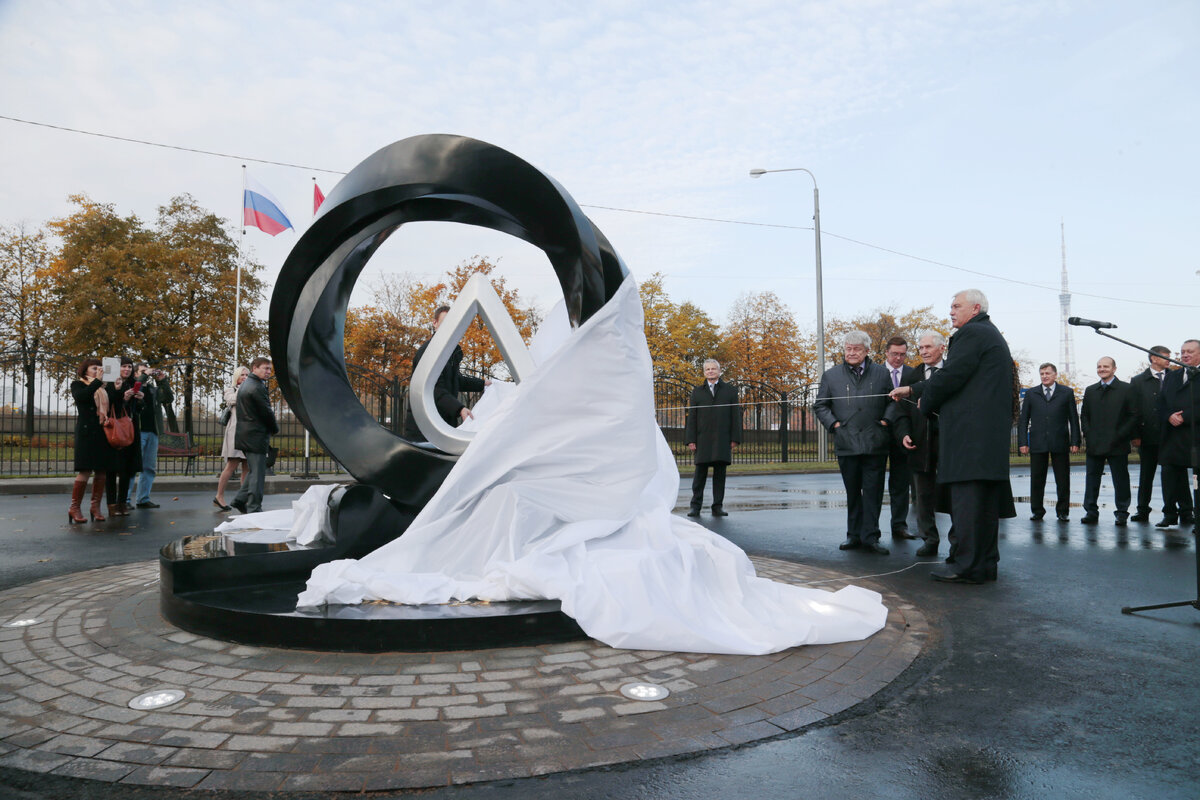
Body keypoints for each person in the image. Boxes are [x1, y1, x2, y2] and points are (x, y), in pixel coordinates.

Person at [890, 289, 1015, 584]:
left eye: (956, 306)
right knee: (983, 507)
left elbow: (951, 375)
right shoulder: (989, 334)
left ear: (975, 308)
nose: (951, 311)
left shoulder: (971, 335)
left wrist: (925, 399)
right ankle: (983, 565)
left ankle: (965, 565)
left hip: (970, 440)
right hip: (986, 441)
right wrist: (913, 390)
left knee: (968, 505)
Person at [815, 330, 895, 555]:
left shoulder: (881, 373)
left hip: (875, 442)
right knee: (852, 491)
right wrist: (835, 426)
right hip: (847, 442)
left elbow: (893, 401)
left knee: (873, 491)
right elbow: (820, 405)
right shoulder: (831, 376)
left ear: (867, 351)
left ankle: (871, 537)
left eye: (857, 349)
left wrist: (886, 421)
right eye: (848, 348)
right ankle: (853, 535)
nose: (851, 353)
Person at [893, 332, 947, 557]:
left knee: (952, 494)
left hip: (949, 442)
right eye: (920, 348)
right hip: (920, 444)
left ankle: (958, 541)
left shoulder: (952, 372)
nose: (923, 351)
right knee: (923, 496)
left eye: (928, 347)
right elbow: (901, 411)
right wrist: (904, 433)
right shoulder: (912, 375)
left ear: (942, 348)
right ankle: (929, 539)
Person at [404, 305, 489, 442]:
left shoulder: (451, 352)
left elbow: (456, 380)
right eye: (445, 323)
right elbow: (433, 389)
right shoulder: (428, 352)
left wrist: (483, 384)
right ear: (435, 323)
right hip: (425, 429)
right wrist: (459, 409)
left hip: (443, 425)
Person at [1017, 363, 1081, 522]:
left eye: (1047, 373)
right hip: (1038, 442)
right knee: (1037, 479)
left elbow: (1073, 419)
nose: (1044, 376)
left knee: (1063, 479)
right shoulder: (1032, 394)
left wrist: (1075, 441)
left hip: (1060, 441)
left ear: (1055, 375)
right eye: (1042, 374)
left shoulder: (1066, 393)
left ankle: (1063, 511)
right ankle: (1037, 511)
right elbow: (1023, 420)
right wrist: (1023, 442)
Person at [1079, 357, 1137, 525]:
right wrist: (1088, 434)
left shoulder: (1126, 389)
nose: (1102, 369)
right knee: (1092, 479)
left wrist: (1120, 435)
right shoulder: (1090, 390)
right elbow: (1084, 415)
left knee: (1120, 480)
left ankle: (1122, 512)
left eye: (1106, 366)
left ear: (1114, 369)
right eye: (1099, 366)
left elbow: (1133, 416)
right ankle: (1090, 511)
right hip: (1095, 443)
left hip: (1117, 443)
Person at [684, 359, 741, 516]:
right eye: (707, 369)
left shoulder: (730, 391)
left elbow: (736, 416)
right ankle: (695, 506)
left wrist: (735, 438)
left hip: (723, 439)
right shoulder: (697, 392)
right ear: (704, 372)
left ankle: (717, 506)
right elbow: (692, 418)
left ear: (719, 371)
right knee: (699, 475)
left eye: (713, 369)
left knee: (719, 475)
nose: (710, 371)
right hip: (702, 439)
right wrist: (691, 440)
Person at [1156, 339, 1200, 531]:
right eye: (1182, 352)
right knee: (1171, 475)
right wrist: (1169, 416)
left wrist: (1186, 417)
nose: (1185, 355)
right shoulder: (1172, 376)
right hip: (1172, 436)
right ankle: (1171, 514)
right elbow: (1161, 403)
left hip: (1195, 434)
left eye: (1190, 351)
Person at [68, 358, 114, 523]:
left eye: (100, 368)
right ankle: (74, 508)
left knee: (102, 471)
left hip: (103, 431)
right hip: (87, 433)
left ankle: (95, 507)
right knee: (85, 470)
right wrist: (97, 382)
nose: (98, 371)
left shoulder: (104, 388)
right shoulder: (78, 384)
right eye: (94, 368)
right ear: (85, 371)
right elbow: (82, 397)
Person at [1129, 346, 1171, 523]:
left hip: (1171, 436)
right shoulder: (1138, 381)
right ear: (1154, 358)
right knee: (1146, 475)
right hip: (1147, 435)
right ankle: (1142, 510)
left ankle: (1183, 510)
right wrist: (1135, 434)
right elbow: (1133, 409)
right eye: (1165, 357)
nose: (1169, 360)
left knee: (1174, 474)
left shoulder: (1174, 377)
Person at [231, 358, 278, 515]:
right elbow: (266, 412)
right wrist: (274, 428)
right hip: (255, 435)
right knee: (258, 474)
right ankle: (254, 508)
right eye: (265, 368)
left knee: (255, 470)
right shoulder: (257, 387)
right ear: (255, 368)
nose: (268, 372)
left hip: (246, 434)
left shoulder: (246, 384)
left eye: (270, 369)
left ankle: (239, 499)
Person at [883, 336, 917, 540]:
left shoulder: (913, 374)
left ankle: (899, 526)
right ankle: (869, 530)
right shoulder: (876, 374)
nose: (898, 358)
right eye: (894, 354)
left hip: (903, 435)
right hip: (879, 433)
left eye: (902, 354)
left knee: (901, 483)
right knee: (874, 484)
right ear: (886, 353)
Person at [129, 363, 172, 509]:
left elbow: (168, 398)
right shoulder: (133, 386)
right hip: (138, 431)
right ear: (136, 374)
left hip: (153, 431)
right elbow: (136, 389)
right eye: (142, 371)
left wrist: (162, 380)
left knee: (149, 467)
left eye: (147, 371)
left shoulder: (153, 390)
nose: (147, 374)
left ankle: (143, 499)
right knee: (133, 466)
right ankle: (125, 500)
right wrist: (145, 374)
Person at [104, 357, 142, 517]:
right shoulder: (109, 384)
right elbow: (109, 406)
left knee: (127, 468)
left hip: (129, 430)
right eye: (123, 367)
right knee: (112, 469)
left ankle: (122, 502)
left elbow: (138, 411)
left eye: (129, 367)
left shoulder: (131, 384)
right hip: (114, 430)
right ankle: (111, 504)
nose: (126, 370)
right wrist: (122, 397)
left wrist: (139, 399)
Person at [214, 366, 249, 511]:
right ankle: (219, 496)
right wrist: (243, 388)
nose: (245, 377)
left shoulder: (252, 390)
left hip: (248, 433)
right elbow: (232, 400)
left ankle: (243, 498)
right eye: (242, 375)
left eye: (247, 375)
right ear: (237, 377)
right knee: (231, 466)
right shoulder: (231, 390)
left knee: (247, 467)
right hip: (235, 433)